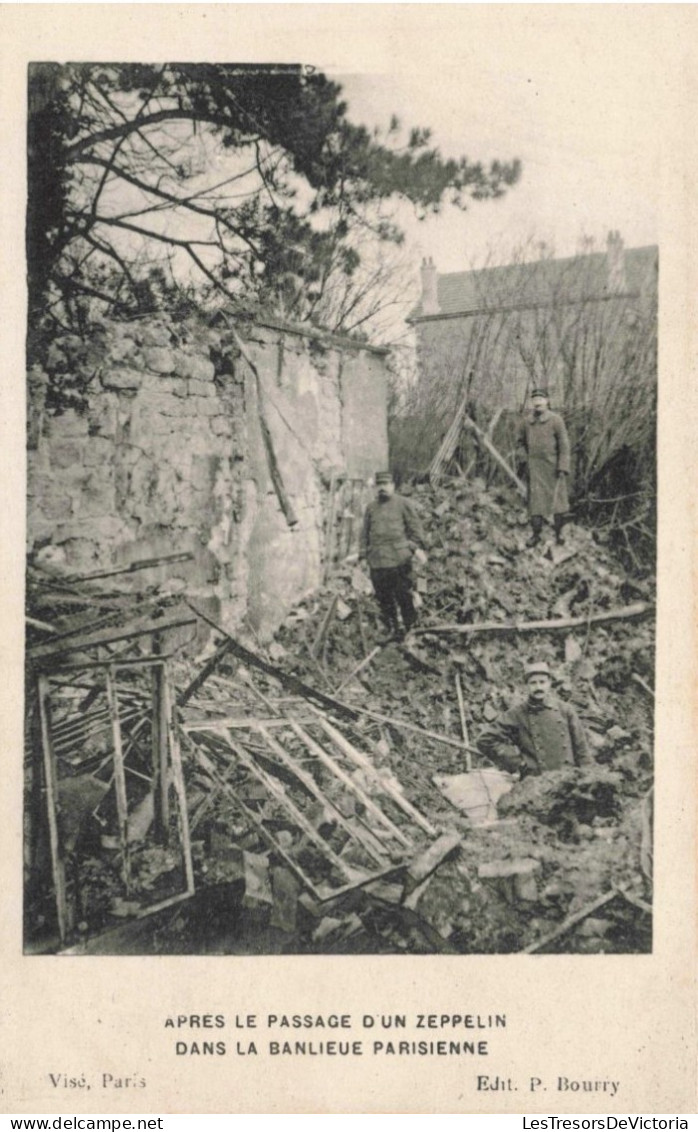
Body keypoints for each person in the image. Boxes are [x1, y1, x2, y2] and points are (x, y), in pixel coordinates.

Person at [477, 661, 591, 777]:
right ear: (526, 685)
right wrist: (518, 763)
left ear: (549, 683)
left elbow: (582, 750)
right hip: (536, 781)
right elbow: (485, 740)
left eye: (542, 682)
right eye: (533, 683)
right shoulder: (517, 714)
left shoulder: (565, 710)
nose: (538, 687)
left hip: (566, 779)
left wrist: (588, 777)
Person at [359, 471, 427, 641]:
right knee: (384, 598)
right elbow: (364, 533)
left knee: (404, 595)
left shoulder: (403, 503)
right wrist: (363, 555)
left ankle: (411, 629)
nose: (382, 488)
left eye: (386, 484)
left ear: (393, 486)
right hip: (377, 561)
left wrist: (410, 547)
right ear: (376, 487)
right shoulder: (371, 508)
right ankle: (392, 630)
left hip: (399, 560)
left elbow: (416, 530)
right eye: (379, 485)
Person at [517, 388, 571, 547]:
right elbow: (519, 443)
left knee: (558, 503)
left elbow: (564, 445)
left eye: (541, 399)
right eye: (534, 399)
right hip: (534, 468)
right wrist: (524, 460)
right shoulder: (526, 422)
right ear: (531, 403)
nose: (537, 402)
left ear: (547, 401)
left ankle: (559, 533)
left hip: (553, 467)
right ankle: (536, 535)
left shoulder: (556, 420)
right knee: (536, 504)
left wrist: (563, 467)